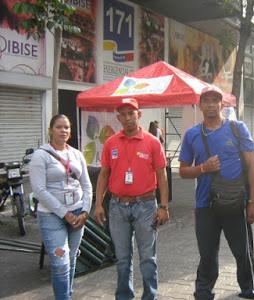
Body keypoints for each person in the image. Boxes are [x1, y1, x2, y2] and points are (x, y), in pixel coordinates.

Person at [179, 86, 254, 300]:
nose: (211, 105)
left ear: (222, 104)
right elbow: (183, 171)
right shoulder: (192, 134)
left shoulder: (237, 128)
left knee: (242, 251)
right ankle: (204, 293)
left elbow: (253, 165)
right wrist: (203, 168)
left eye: (215, 100)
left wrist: (253, 201)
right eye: (206, 101)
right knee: (207, 255)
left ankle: (248, 289)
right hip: (205, 205)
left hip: (235, 201)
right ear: (200, 105)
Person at [94, 98, 169, 300]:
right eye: (123, 114)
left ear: (139, 115)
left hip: (145, 206)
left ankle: (149, 296)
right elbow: (103, 174)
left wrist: (163, 206)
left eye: (131, 113)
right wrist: (99, 204)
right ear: (118, 117)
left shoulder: (152, 142)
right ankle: (124, 296)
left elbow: (162, 175)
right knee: (122, 259)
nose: (127, 118)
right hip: (117, 206)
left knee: (147, 258)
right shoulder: (111, 143)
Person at [29, 114, 92, 300]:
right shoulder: (40, 156)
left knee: (71, 260)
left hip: (78, 213)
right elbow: (39, 190)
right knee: (60, 263)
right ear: (50, 130)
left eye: (67, 127)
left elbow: (87, 185)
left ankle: (67, 295)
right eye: (59, 127)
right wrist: (65, 214)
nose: (63, 130)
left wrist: (85, 211)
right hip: (51, 216)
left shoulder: (76, 154)